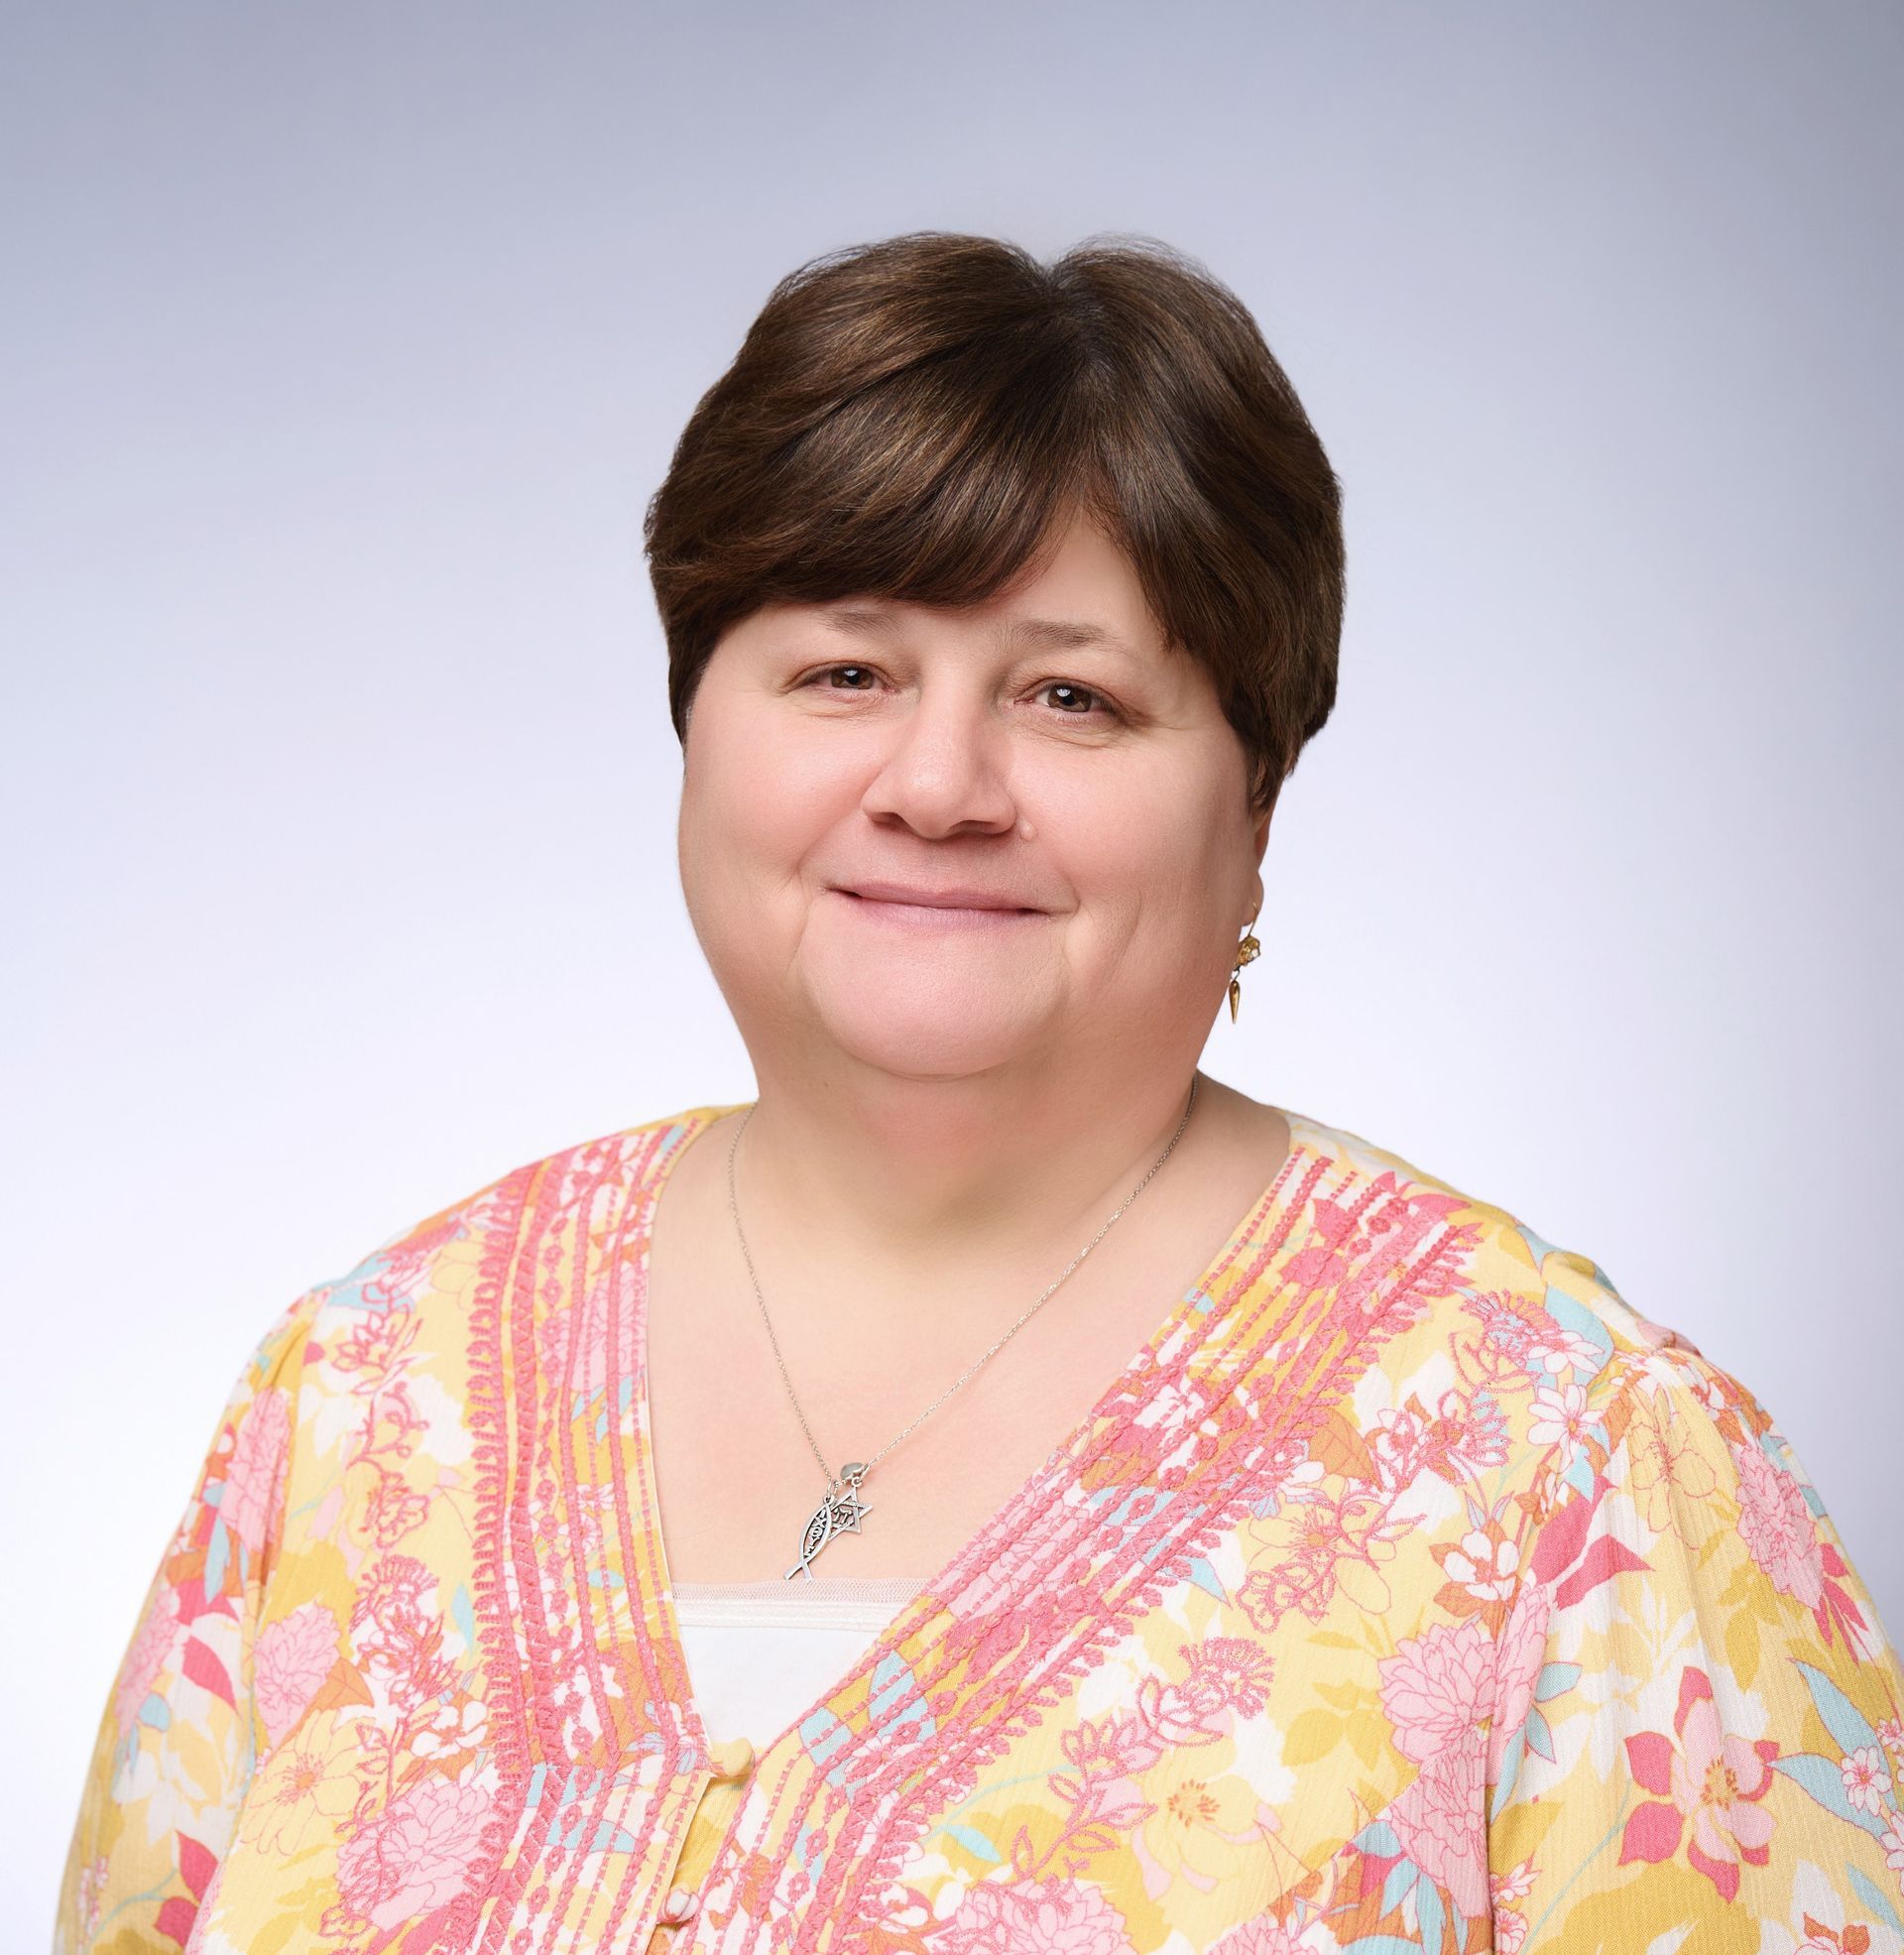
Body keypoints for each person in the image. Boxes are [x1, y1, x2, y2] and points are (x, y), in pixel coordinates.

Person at [56, 230, 1903, 1955]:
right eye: (842, 671)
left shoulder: (1570, 1466)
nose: (940, 784)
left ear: (1254, 810)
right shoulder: (366, 1393)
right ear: (695, 731)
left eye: (1074, 701)